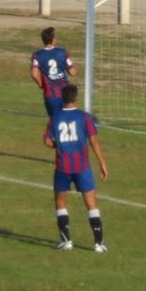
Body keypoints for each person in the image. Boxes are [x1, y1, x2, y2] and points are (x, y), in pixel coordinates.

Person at [44, 84, 109, 253]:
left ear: (62, 99)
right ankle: (99, 244)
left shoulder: (55, 117)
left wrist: (59, 145)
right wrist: (102, 162)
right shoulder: (85, 117)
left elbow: (47, 141)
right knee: (91, 203)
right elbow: (93, 140)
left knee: (60, 202)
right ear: (76, 98)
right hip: (82, 167)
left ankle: (66, 241)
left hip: (63, 166)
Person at [31, 26, 76, 116]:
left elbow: (34, 74)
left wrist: (41, 84)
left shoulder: (37, 55)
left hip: (50, 95)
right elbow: (73, 72)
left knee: (54, 123)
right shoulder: (62, 52)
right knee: (67, 121)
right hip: (64, 94)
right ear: (53, 39)